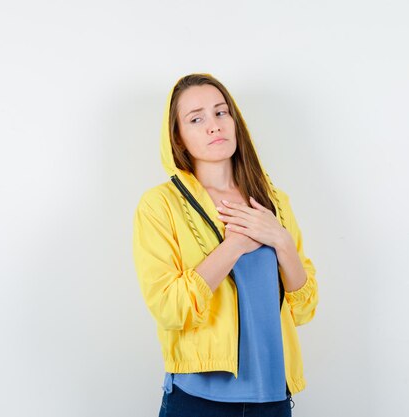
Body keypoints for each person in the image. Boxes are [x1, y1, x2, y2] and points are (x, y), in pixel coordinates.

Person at [132, 73, 319, 417]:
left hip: (273, 397)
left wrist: (279, 239)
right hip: (197, 400)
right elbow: (169, 307)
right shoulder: (160, 206)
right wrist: (234, 245)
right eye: (196, 118)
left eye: (221, 112)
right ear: (178, 137)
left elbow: (304, 308)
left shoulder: (273, 201)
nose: (214, 126)